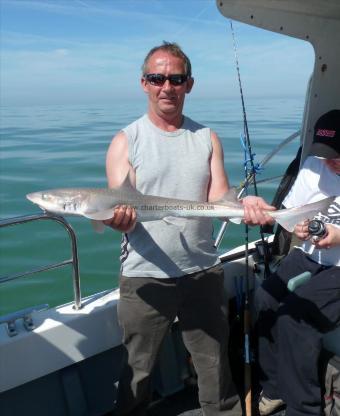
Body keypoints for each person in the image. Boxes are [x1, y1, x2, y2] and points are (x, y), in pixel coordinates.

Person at [104, 41, 274, 416]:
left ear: (189, 84)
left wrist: (246, 207)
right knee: (137, 372)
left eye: (176, 79)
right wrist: (113, 219)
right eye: (157, 78)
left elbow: (219, 201)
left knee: (214, 367)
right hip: (145, 277)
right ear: (144, 83)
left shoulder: (207, 138)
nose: (167, 86)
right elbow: (118, 205)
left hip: (202, 271)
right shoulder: (125, 141)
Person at [255, 109, 340, 416]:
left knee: (294, 318)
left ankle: (304, 410)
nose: (329, 162)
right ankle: (274, 388)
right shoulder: (313, 166)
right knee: (264, 298)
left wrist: (337, 237)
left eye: (336, 156)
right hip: (309, 255)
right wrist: (300, 227)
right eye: (325, 155)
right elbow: (293, 214)